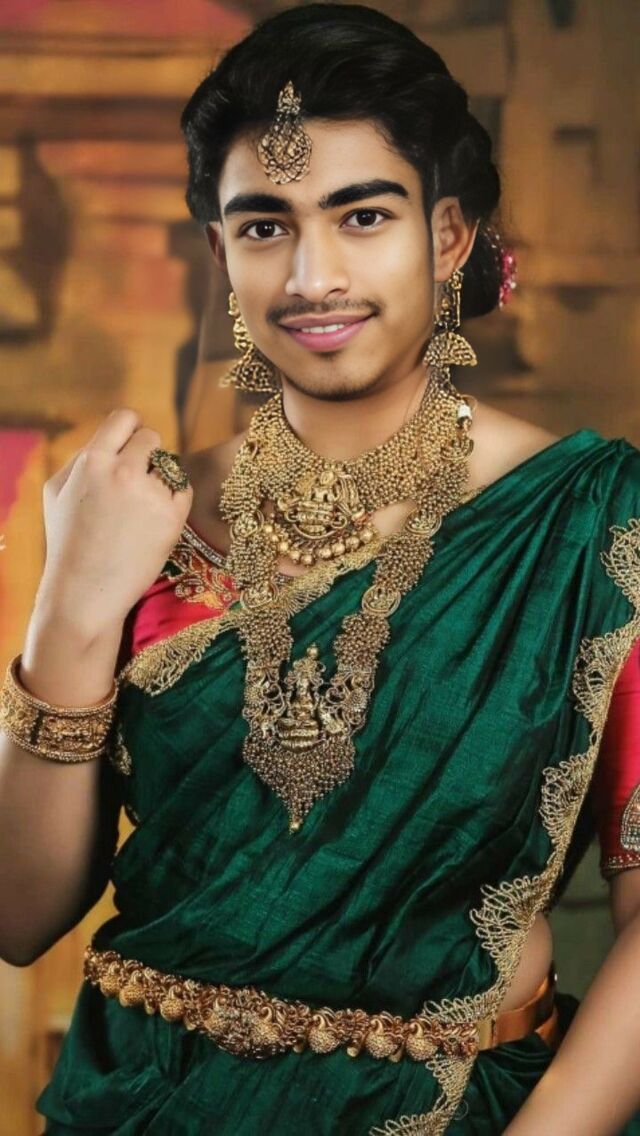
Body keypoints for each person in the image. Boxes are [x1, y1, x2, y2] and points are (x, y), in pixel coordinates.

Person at [1, 5, 640, 1133]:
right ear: (220, 253)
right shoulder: (135, 519)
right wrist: (71, 609)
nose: (312, 275)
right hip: (136, 1106)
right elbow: (17, 914)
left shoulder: (590, 524)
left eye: (363, 216)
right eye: (265, 225)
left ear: (448, 236)